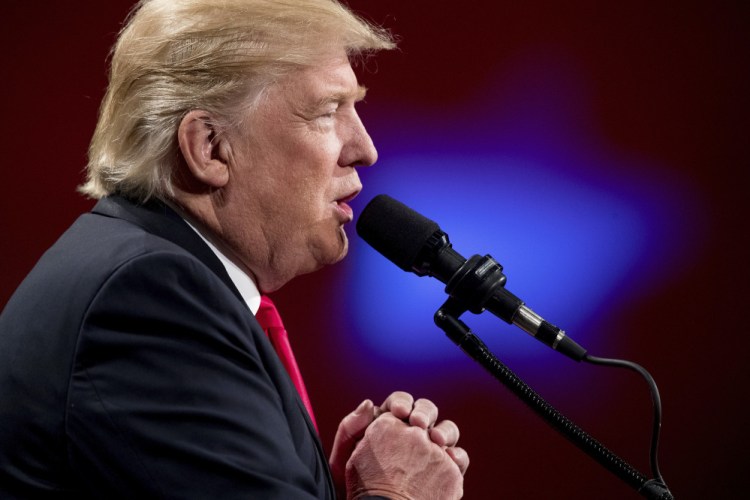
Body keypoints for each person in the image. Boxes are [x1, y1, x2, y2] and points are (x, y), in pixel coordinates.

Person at [0, 0, 468, 498]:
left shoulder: (149, 271)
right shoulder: (149, 299)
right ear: (210, 147)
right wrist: (397, 493)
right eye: (328, 111)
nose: (364, 148)